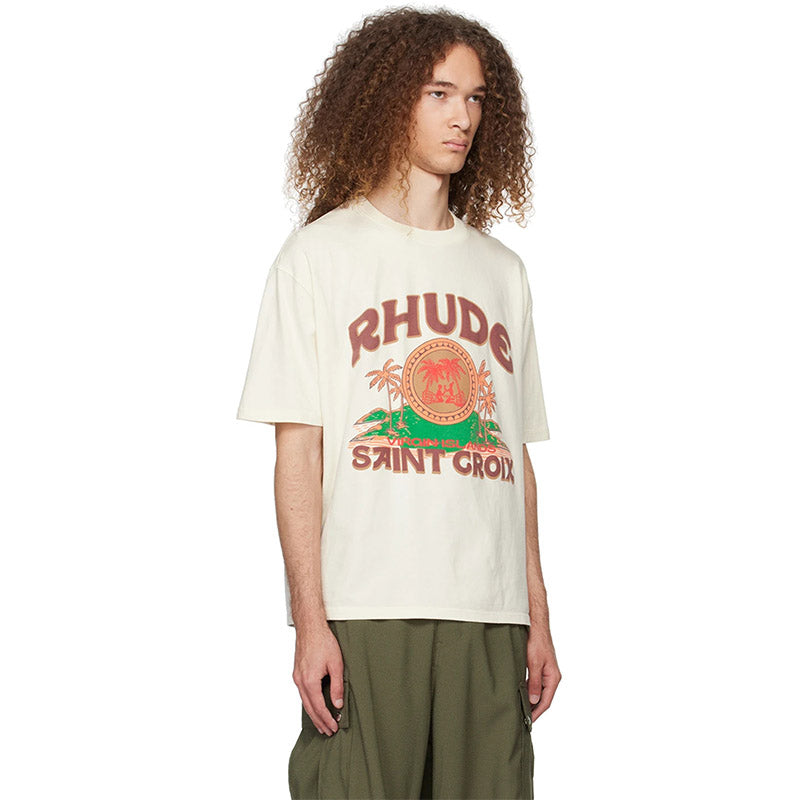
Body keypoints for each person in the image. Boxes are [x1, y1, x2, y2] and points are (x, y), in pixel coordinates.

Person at [236, 8, 562, 798]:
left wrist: (538, 611)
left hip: (489, 611)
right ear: (386, 99)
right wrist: (310, 619)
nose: (462, 117)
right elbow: (298, 453)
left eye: (477, 98)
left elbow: (513, 456)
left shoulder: (502, 272)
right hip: (369, 601)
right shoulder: (318, 257)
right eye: (439, 93)